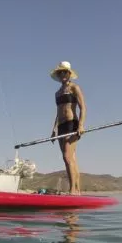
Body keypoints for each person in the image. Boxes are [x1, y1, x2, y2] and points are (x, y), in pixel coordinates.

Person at [50, 61, 86, 195]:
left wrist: (81, 125)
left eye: (64, 72)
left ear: (69, 73)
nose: (62, 74)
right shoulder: (57, 93)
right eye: (60, 72)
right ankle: (77, 190)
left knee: (67, 157)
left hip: (72, 124)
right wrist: (54, 130)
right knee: (71, 158)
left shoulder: (75, 88)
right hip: (61, 126)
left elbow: (83, 107)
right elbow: (58, 112)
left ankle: (72, 191)